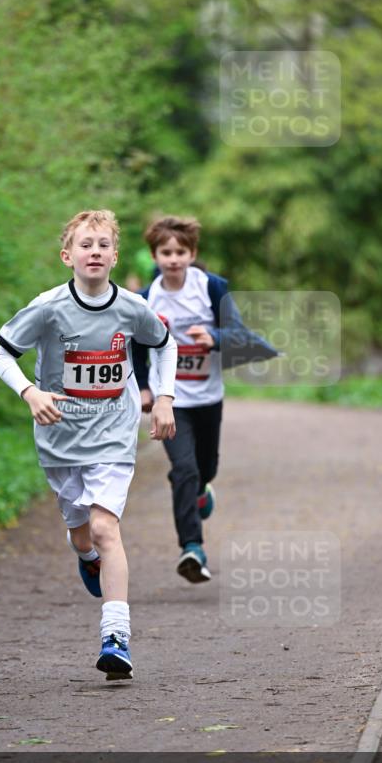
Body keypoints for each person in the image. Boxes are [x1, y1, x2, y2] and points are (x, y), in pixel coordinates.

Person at [0, 209, 177, 680]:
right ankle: (86, 558)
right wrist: (29, 392)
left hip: (114, 433)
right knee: (81, 533)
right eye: (85, 244)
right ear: (67, 255)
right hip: (60, 436)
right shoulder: (49, 307)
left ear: (115, 256)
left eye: (102, 245)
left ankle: (116, 638)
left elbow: (165, 343)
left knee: (105, 528)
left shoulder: (132, 306)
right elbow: (2, 354)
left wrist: (165, 399)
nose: (94, 252)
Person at [134, 215, 277, 584]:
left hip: (209, 396)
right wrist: (144, 389)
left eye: (181, 252)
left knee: (205, 469)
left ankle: (201, 490)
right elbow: (134, 342)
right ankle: (192, 548)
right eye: (165, 252)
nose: (173, 259)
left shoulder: (212, 287)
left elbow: (241, 335)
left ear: (192, 253)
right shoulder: (147, 298)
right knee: (184, 469)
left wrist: (214, 337)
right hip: (171, 401)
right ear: (155, 256)